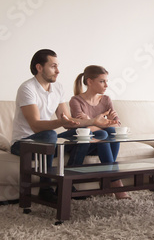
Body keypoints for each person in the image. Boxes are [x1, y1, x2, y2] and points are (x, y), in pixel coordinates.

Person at [10, 49, 117, 203]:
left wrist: (93, 122)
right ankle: (45, 190)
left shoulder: (58, 88)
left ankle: (67, 184)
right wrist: (62, 122)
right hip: (24, 144)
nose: (58, 71)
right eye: (53, 66)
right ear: (39, 68)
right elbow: (35, 126)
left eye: (58, 66)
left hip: (48, 144)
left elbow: (69, 122)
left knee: (95, 134)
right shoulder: (27, 88)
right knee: (50, 135)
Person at [65, 65, 130, 199]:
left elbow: (116, 124)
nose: (106, 85)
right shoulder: (76, 101)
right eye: (102, 81)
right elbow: (84, 127)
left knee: (109, 132)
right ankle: (115, 182)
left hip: (100, 143)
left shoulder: (106, 100)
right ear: (89, 81)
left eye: (107, 81)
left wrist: (100, 122)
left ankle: (111, 181)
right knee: (105, 134)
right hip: (83, 144)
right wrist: (104, 123)